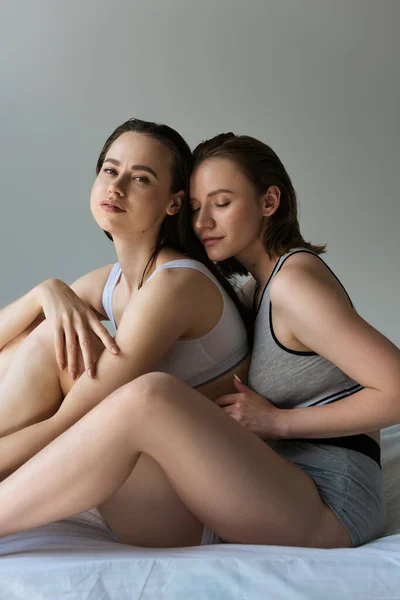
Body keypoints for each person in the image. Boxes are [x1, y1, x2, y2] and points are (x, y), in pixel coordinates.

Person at [1, 132, 399, 549]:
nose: (202, 222)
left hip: (332, 504)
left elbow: (396, 389)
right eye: (196, 208)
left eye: (222, 204)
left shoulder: (293, 284)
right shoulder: (254, 289)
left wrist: (281, 422)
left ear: (269, 202)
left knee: (148, 395)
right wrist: (44, 293)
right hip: (260, 485)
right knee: (66, 338)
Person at [0, 121, 250, 548]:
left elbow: (71, 424)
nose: (116, 187)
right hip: (150, 487)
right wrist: (45, 293)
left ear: (174, 204)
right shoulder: (117, 279)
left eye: (140, 178)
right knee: (38, 337)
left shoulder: (175, 285)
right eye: (109, 170)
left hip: (187, 511)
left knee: (50, 343)